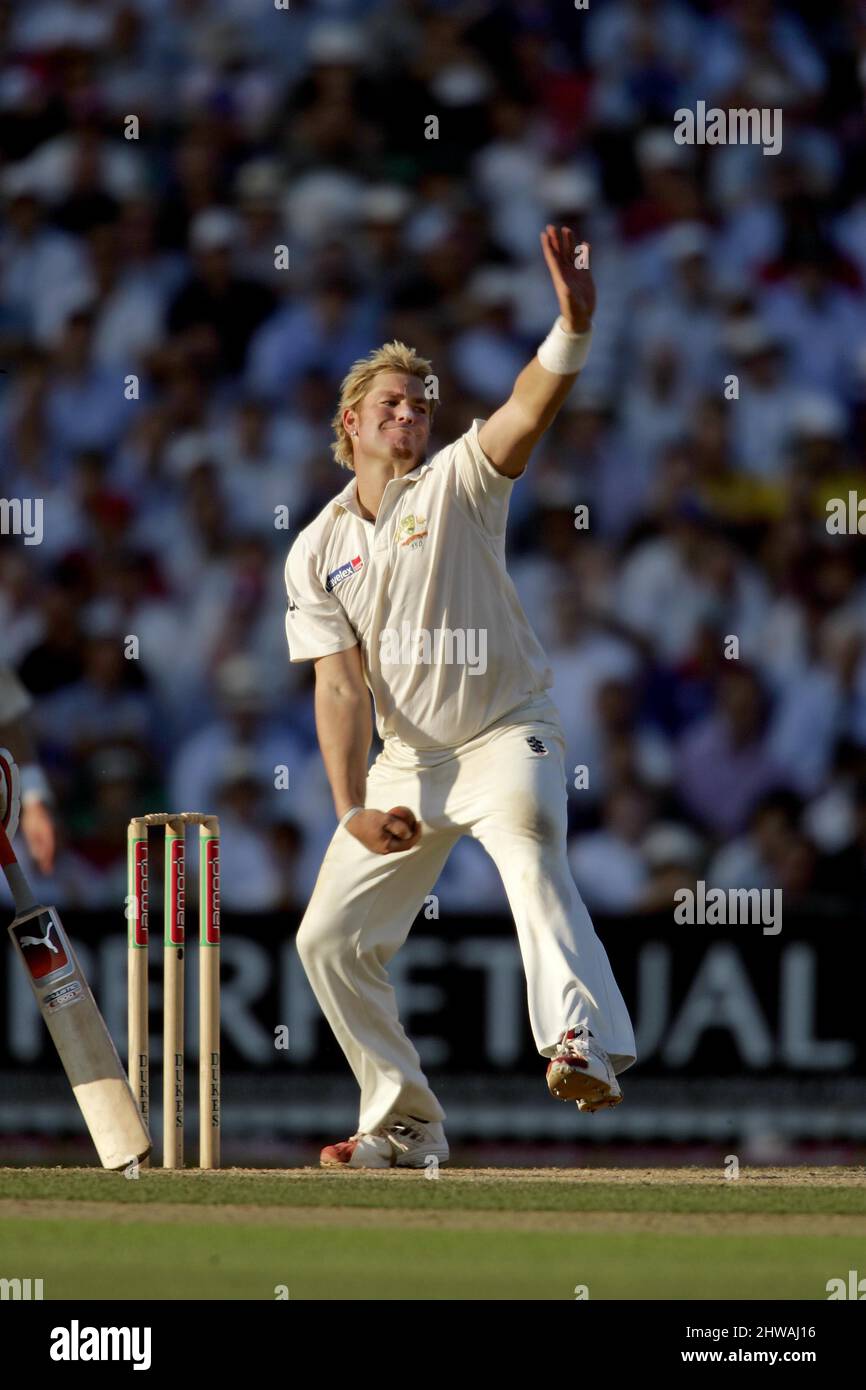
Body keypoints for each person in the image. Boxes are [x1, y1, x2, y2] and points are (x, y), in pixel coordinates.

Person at [284, 226, 635, 1169]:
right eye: (390, 403)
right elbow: (340, 682)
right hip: (405, 766)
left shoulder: (459, 482)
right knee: (327, 941)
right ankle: (404, 1121)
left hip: (504, 730)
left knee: (527, 838)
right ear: (349, 425)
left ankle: (579, 1041)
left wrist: (569, 332)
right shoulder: (316, 549)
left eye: (420, 403)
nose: (410, 413)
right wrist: (350, 807)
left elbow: (526, 409)